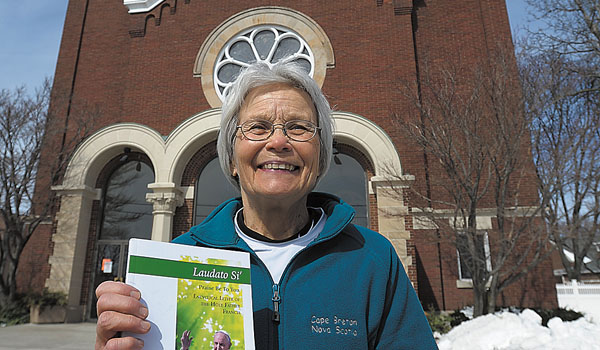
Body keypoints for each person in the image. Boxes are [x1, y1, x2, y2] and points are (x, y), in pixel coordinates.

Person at [95, 61, 438, 349]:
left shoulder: (372, 258)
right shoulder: (182, 259)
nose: (278, 141)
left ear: (319, 159)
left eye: (299, 127)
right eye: (257, 127)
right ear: (231, 158)